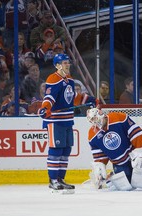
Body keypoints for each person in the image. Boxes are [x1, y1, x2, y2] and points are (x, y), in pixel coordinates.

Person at [37, 54, 96, 193]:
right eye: (64, 63)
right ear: (57, 65)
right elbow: (49, 97)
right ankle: (53, 180)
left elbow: (73, 97)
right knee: (56, 150)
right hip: (55, 121)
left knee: (66, 150)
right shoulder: (53, 79)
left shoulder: (69, 79)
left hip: (67, 120)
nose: (68, 65)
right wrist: (45, 108)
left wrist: (89, 99)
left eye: (68, 63)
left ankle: (60, 179)